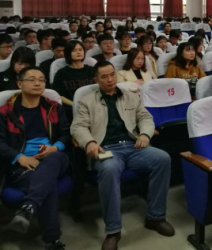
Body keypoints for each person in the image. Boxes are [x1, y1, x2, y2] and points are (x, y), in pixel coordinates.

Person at [71, 61, 174, 249]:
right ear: (96, 80)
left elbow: (145, 117)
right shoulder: (86, 101)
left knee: (162, 159)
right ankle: (113, 230)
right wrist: (90, 142)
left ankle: (155, 217)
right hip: (106, 149)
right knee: (109, 169)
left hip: (132, 145)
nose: (110, 79)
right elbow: (78, 127)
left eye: (112, 74)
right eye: (104, 77)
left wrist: (145, 134)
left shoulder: (130, 96)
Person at [0, 66, 70, 250]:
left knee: (55, 159)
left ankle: (28, 206)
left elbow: (65, 134)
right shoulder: (6, 112)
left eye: (41, 79)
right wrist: (19, 157)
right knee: (47, 182)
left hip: (54, 158)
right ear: (19, 84)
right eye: (32, 79)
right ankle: (53, 241)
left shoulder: (53, 108)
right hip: (22, 165)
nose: (38, 83)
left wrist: (54, 147)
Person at [52, 40, 94, 108]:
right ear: (68, 53)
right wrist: (75, 105)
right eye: (74, 50)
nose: (78, 52)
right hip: (71, 107)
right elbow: (58, 95)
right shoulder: (61, 73)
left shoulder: (92, 70)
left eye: (80, 50)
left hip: (92, 106)